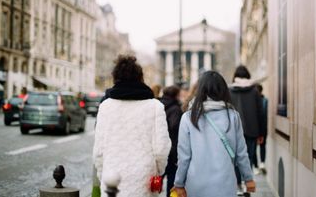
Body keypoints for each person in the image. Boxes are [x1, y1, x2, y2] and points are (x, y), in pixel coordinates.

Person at [93, 55, 171, 197]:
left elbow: (99, 150)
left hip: (112, 179)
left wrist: (102, 174)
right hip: (143, 178)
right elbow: (161, 149)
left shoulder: (106, 106)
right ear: (140, 78)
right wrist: (157, 171)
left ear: (115, 78)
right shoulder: (155, 107)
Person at [172, 71, 255, 197]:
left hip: (196, 184)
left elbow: (184, 157)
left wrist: (179, 183)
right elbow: (241, 153)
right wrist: (248, 178)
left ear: (200, 90)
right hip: (225, 183)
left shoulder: (188, 117)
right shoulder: (232, 116)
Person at [229, 65, 263, 195]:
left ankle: (237, 184)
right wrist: (262, 133)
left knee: (235, 158)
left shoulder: (229, 90)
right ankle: (246, 183)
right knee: (248, 157)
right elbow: (260, 113)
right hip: (252, 131)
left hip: (233, 131)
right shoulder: (254, 91)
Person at [160, 86, 183, 197]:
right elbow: (175, 126)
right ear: (175, 95)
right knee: (172, 177)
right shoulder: (176, 109)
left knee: (158, 177)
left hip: (159, 146)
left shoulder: (158, 105)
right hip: (172, 148)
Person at [257, 84, 268, 174]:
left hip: (261, 126)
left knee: (261, 145)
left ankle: (261, 164)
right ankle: (258, 164)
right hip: (259, 127)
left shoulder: (264, 101)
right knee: (259, 145)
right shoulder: (264, 101)